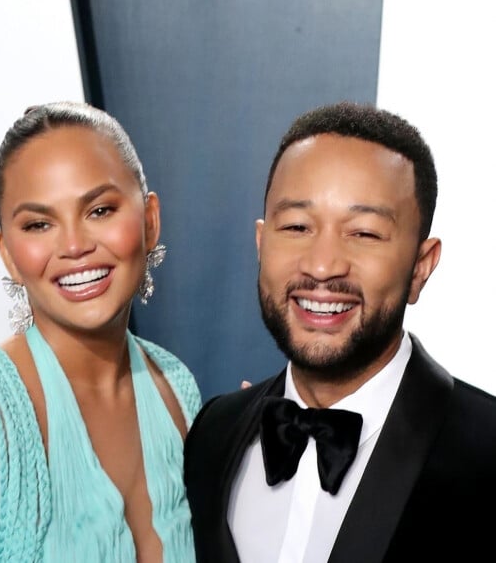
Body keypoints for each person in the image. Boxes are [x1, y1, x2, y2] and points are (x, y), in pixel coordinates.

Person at [184, 101, 496, 562]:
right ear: (261, 242)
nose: (323, 265)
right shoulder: (213, 433)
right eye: (295, 226)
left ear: (420, 267)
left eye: (364, 233)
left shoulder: (486, 450)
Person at [0, 101, 201, 562]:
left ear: (150, 220)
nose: (74, 246)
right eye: (39, 224)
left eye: (100, 210)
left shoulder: (177, 387)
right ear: (8, 252)